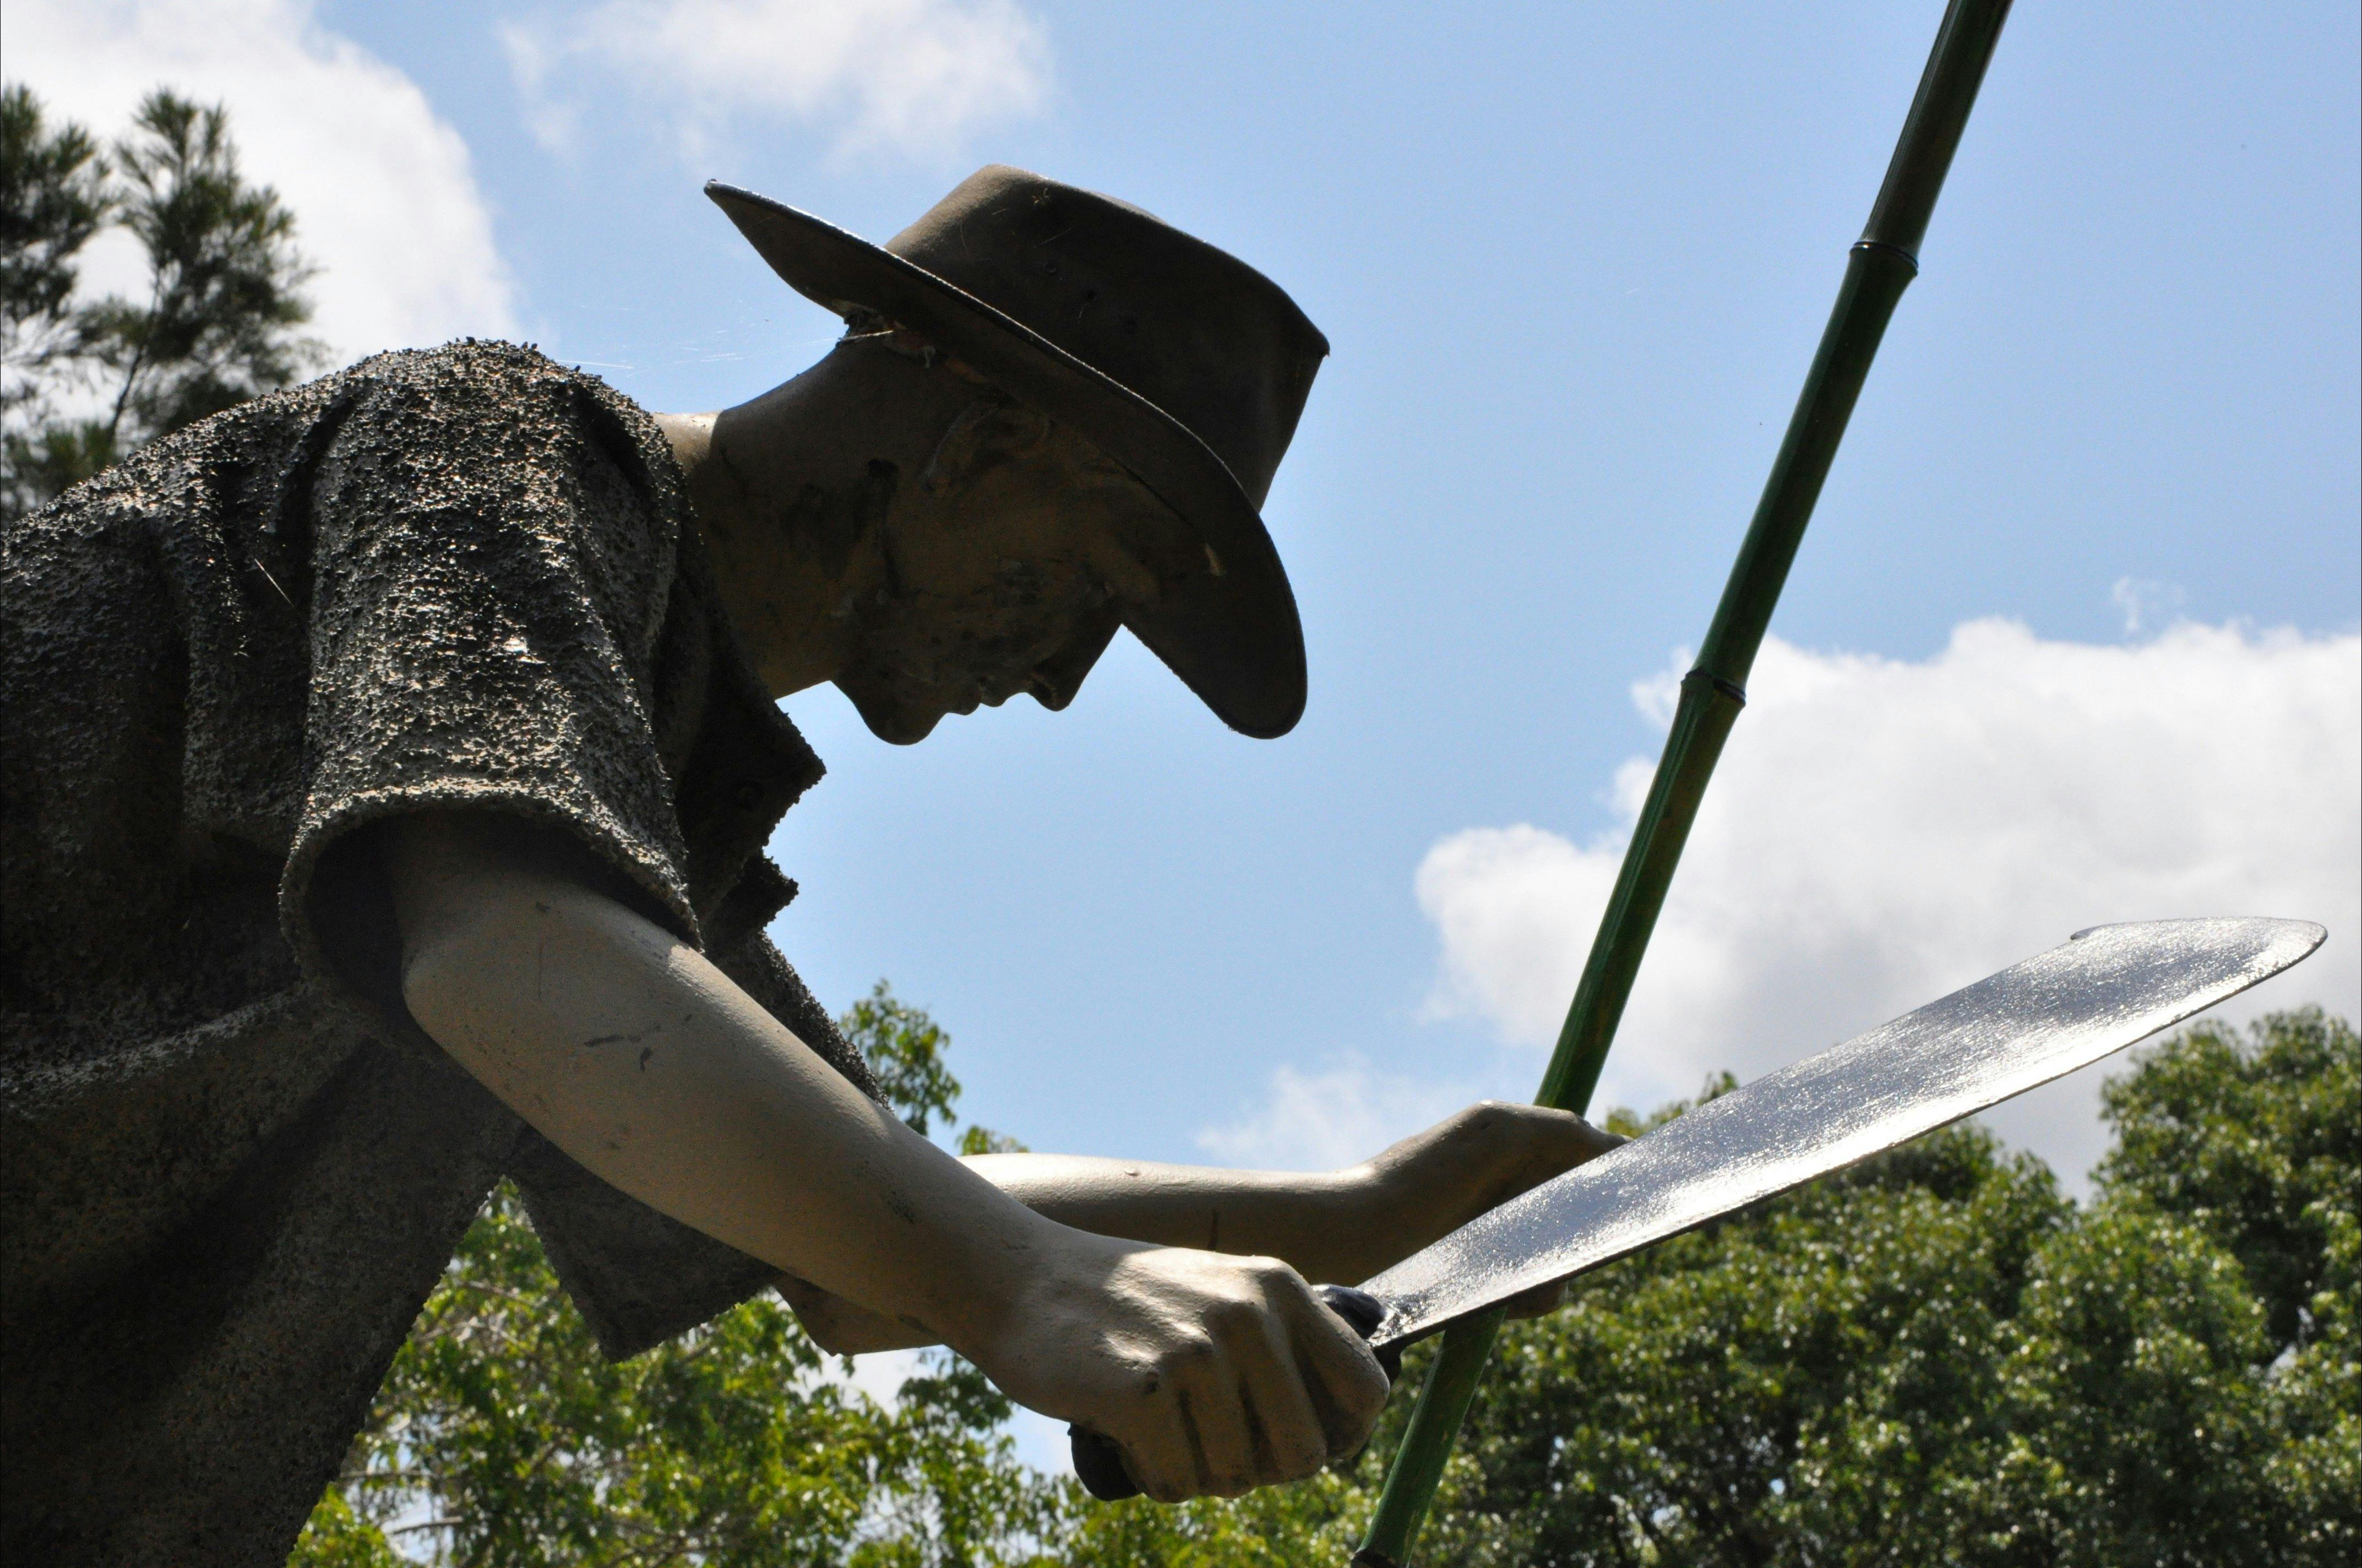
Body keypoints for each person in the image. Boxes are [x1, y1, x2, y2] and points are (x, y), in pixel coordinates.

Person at [1, 166, 1617, 1565]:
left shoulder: (617, 802)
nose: (1062, 681)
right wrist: (1031, 1294)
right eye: (1099, 582)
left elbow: (839, 1244)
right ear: (984, 452)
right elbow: (505, 950)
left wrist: (1364, 1210)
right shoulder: (483, 450)